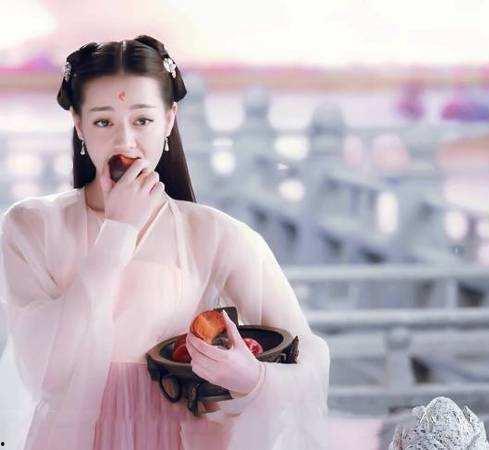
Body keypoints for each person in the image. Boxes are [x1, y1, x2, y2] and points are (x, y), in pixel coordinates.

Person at [0, 35, 330, 450]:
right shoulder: (30, 226)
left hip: (180, 436)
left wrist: (255, 378)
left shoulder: (214, 233)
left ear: (170, 120)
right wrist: (117, 231)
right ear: (78, 124)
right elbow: (44, 370)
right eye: (103, 122)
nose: (125, 141)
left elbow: (308, 354)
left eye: (142, 120)